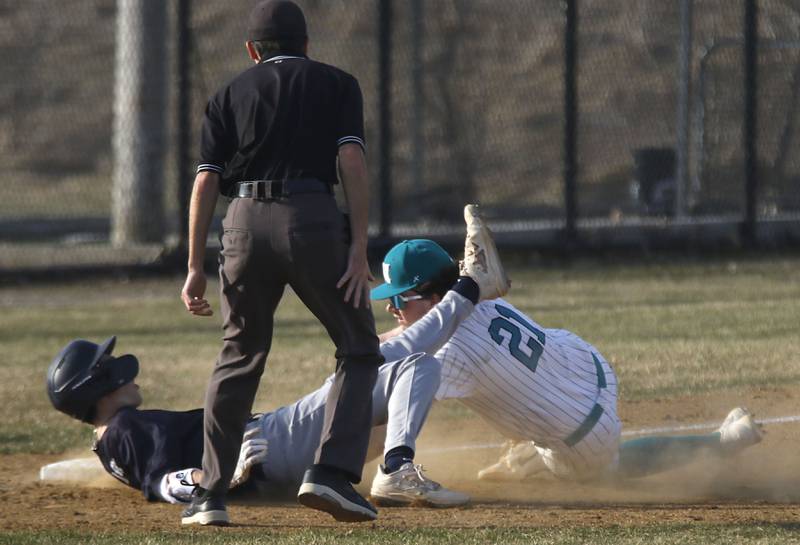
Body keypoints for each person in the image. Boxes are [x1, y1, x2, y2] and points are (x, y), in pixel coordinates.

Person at [48, 205, 509, 522]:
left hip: (276, 456)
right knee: (408, 363)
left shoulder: (110, 444)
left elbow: (153, 477)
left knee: (393, 360)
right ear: (100, 386)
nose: (121, 371)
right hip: (271, 443)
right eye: (107, 367)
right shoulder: (124, 430)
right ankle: (472, 285)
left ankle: (471, 287)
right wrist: (211, 478)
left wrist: (212, 476)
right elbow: (162, 482)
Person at [369, 208, 763, 485]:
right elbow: (414, 336)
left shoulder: (450, 354)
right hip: (588, 366)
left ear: (435, 298)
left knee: (607, 469)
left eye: (401, 298)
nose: (391, 307)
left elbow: (397, 407)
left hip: (582, 435)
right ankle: (535, 455)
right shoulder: (484, 299)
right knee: (532, 403)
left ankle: (723, 441)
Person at [179, 0, 384, 525]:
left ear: (252, 51)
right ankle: (331, 474)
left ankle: (210, 496)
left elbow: (205, 180)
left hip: (242, 222)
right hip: (310, 218)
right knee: (358, 347)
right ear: (307, 46)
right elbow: (351, 159)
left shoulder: (228, 94)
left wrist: (193, 265)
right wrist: (359, 247)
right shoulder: (337, 83)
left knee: (240, 351)